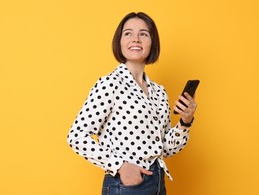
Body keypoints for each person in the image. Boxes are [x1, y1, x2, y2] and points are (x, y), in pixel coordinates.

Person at [67, 12, 198, 195]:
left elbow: (166, 149)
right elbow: (76, 136)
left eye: (143, 34)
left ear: (152, 42)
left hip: (158, 183)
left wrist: (185, 121)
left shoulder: (159, 92)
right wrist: (119, 166)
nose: (136, 39)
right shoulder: (110, 84)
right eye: (128, 33)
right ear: (119, 42)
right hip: (126, 186)